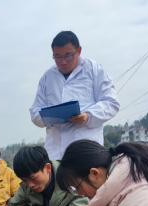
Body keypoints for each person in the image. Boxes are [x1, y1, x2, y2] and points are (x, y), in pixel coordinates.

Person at [29, 31, 120, 159]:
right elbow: (35, 112)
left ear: (79, 50)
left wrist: (88, 116)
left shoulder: (95, 70)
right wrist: (50, 116)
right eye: (57, 57)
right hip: (55, 153)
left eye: (68, 56)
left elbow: (111, 103)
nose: (63, 62)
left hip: (86, 151)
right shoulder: (47, 77)